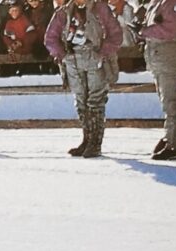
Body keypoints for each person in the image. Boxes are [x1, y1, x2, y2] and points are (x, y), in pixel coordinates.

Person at [44, 0, 122, 158]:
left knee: (95, 101)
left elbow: (116, 35)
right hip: (73, 61)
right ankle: (86, 140)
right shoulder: (63, 12)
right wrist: (63, 56)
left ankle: (95, 143)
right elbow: (50, 38)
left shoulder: (100, 9)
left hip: (96, 59)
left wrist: (102, 53)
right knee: (80, 101)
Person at [139, 0, 176, 160]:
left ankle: (175, 143)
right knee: (167, 101)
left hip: (170, 56)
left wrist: (145, 31)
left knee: (173, 100)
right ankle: (174, 137)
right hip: (159, 57)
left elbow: (172, 29)